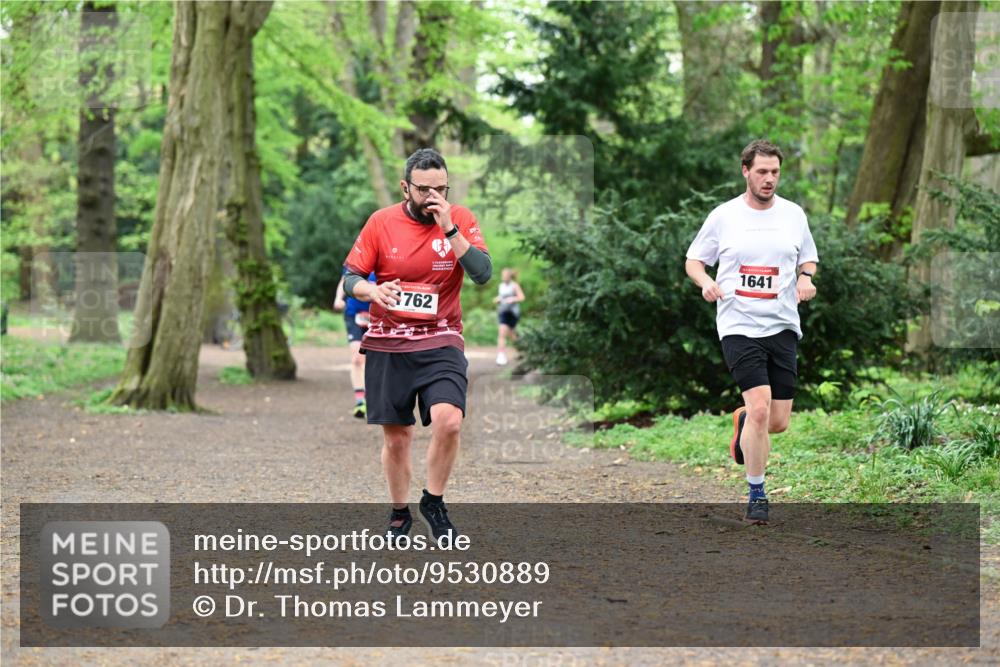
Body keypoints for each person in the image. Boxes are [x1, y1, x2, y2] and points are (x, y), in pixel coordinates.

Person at [342, 148, 492, 545]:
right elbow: (350, 278)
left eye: (441, 189)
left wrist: (450, 230)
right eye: (424, 190)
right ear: (406, 187)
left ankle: (434, 502)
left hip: (441, 337)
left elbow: (481, 273)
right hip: (389, 341)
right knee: (397, 437)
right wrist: (372, 290)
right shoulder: (381, 222)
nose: (432, 197)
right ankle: (398, 513)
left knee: (450, 421)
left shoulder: (459, 218)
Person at [684, 139, 818, 525]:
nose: (769, 179)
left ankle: (744, 421)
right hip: (739, 324)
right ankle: (757, 493)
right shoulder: (724, 216)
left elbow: (808, 257)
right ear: (745, 171)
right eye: (761, 171)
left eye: (774, 172)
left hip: (782, 324)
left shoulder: (793, 215)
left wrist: (805, 277)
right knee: (760, 408)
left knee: (777, 422)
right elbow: (694, 260)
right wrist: (705, 282)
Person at [334, 269, 376, 418]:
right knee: (357, 358)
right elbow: (345, 278)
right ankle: (360, 402)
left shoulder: (390, 255)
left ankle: (375, 400)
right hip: (354, 313)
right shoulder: (359, 254)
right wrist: (338, 298)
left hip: (378, 315)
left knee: (377, 360)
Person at [493, 268, 525, 366]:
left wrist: (513, 299)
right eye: (502, 275)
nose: (503, 277)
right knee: (502, 332)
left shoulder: (514, 285)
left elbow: (522, 297)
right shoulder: (501, 286)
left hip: (513, 313)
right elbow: (500, 297)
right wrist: (497, 300)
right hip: (503, 312)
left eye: (505, 275)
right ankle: (501, 356)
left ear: (509, 276)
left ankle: (521, 352)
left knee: (512, 335)